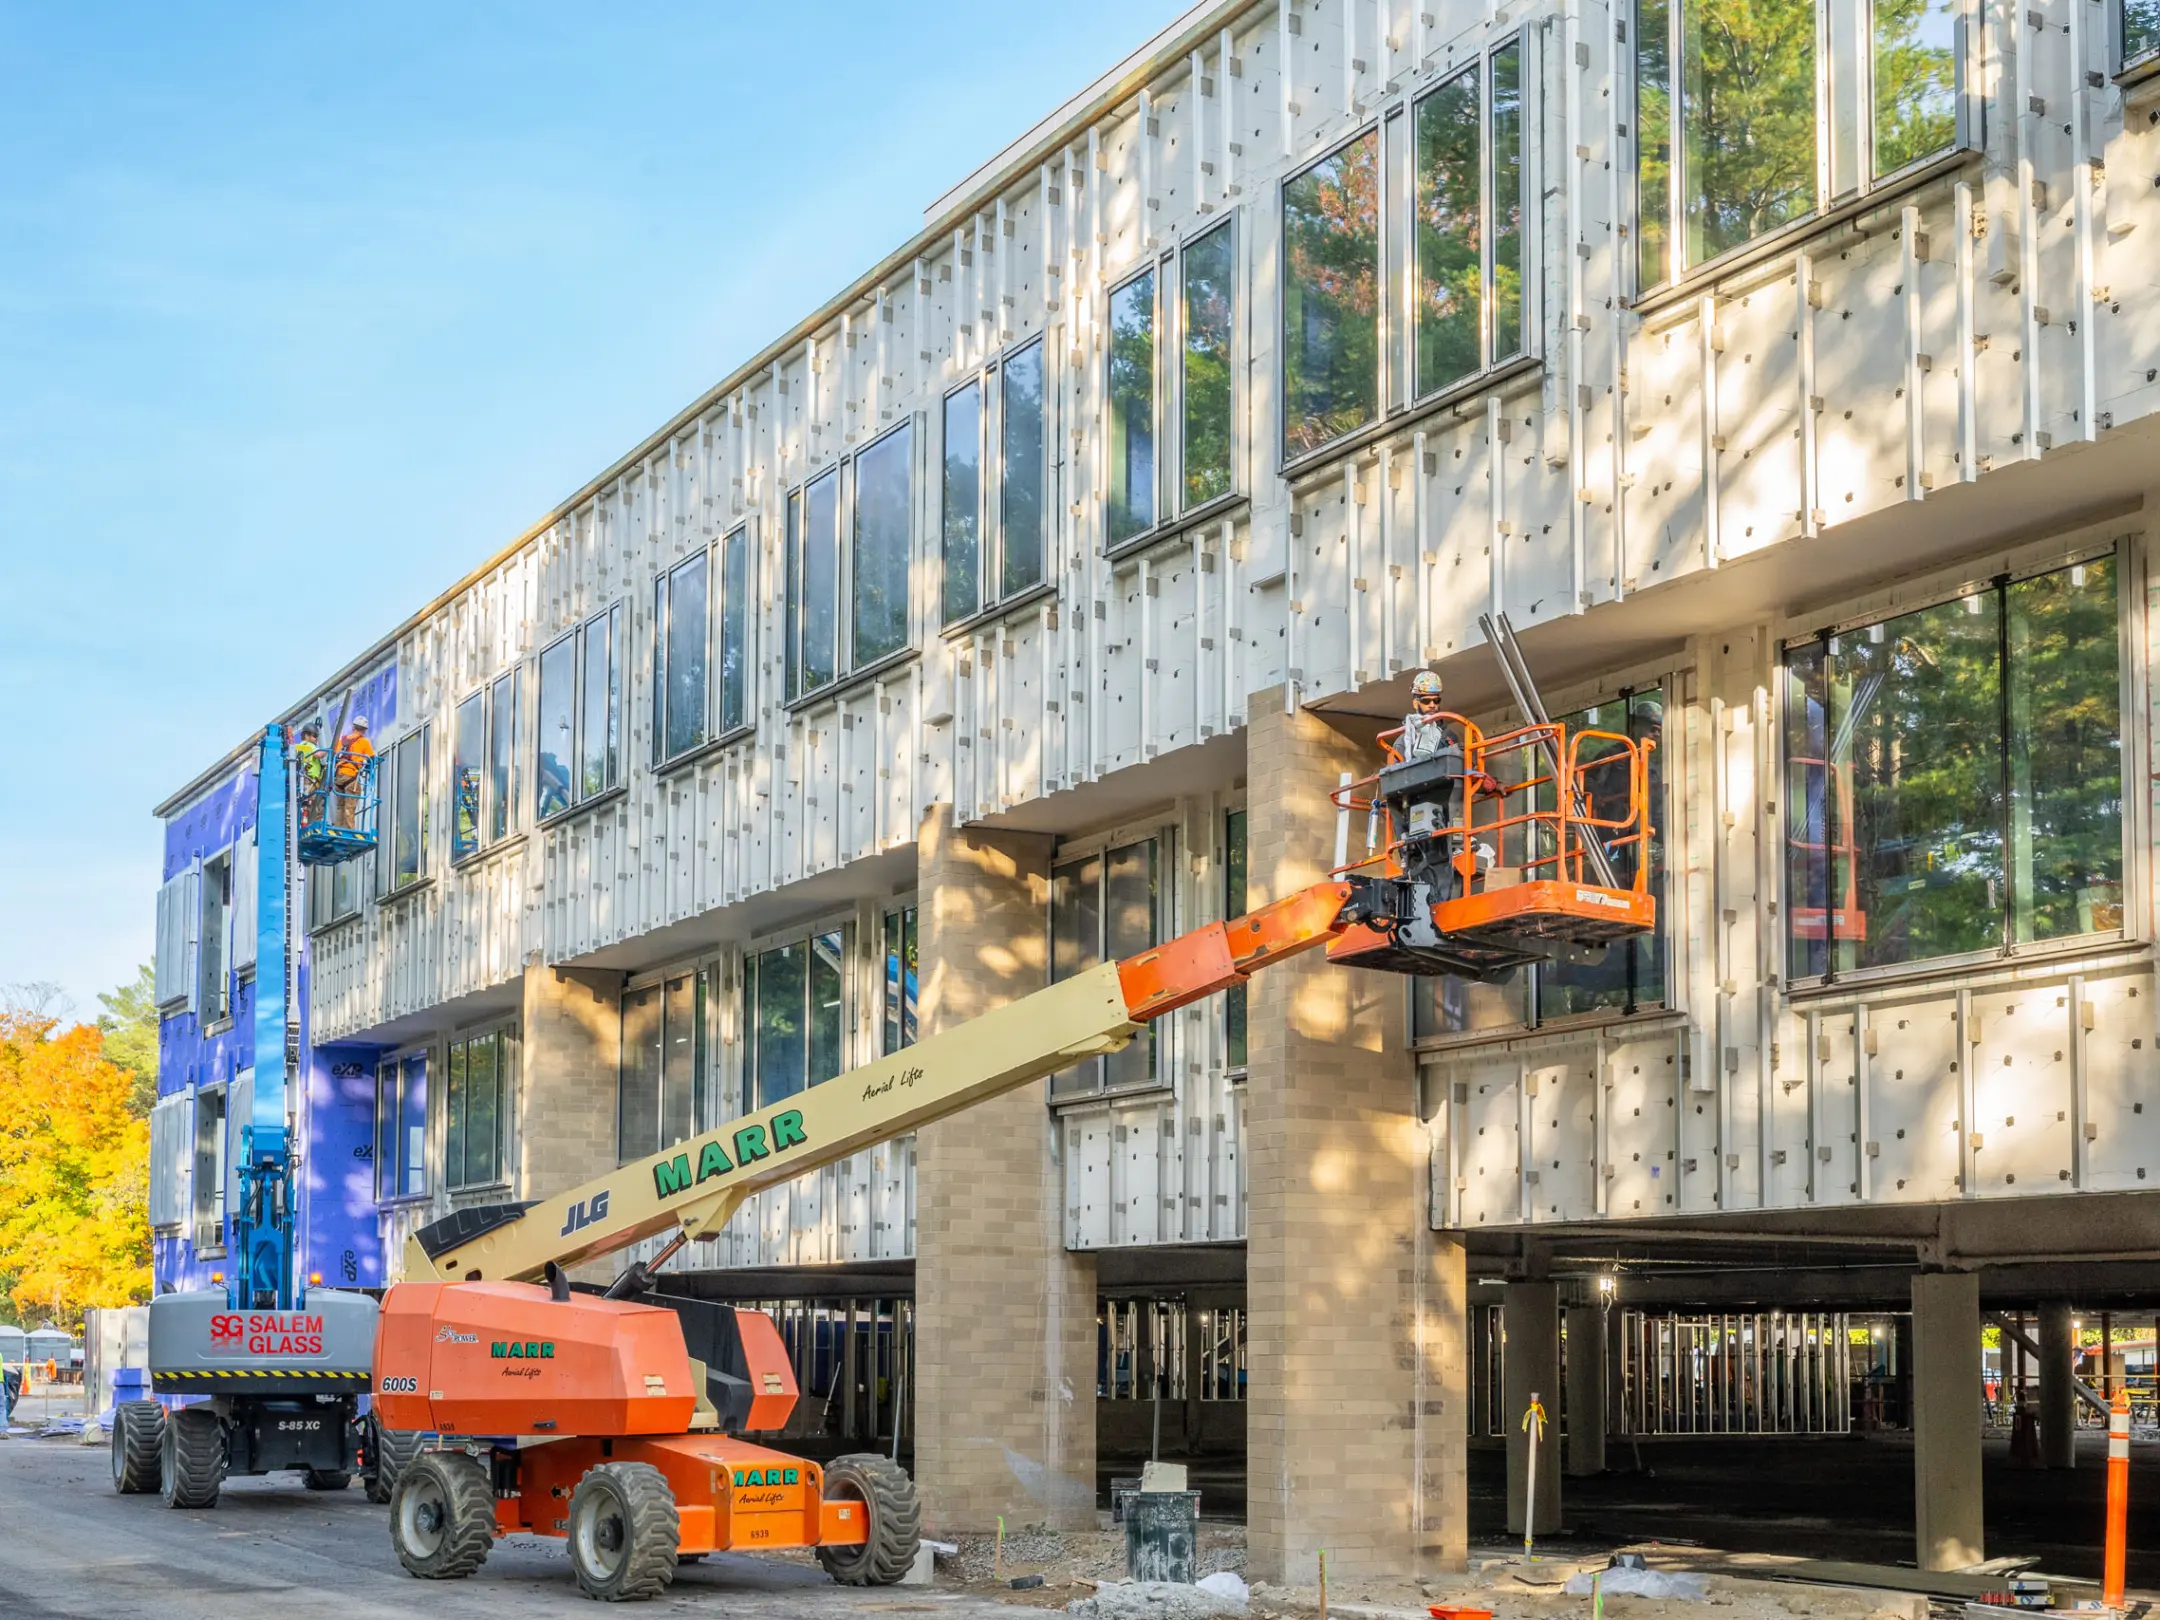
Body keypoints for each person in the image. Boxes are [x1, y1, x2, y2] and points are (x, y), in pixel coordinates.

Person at [334, 714, 375, 827]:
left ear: (353, 728)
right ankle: (348, 831)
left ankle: (338, 829)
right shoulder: (364, 742)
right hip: (351, 776)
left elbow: (335, 756)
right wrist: (367, 769)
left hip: (339, 776)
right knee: (350, 807)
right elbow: (372, 759)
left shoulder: (342, 740)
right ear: (364, 730)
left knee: (340, 806)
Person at [294, 721, 327, 827]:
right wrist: (330, 749)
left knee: (306, 805)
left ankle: (305, 824)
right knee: (315, 805)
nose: (316, 739)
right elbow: (319, 754)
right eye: (314, 736)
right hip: (310, 780)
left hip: (304, 780)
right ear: (307, 736)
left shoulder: (298, 747)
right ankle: (313, 825)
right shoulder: (308, 745)